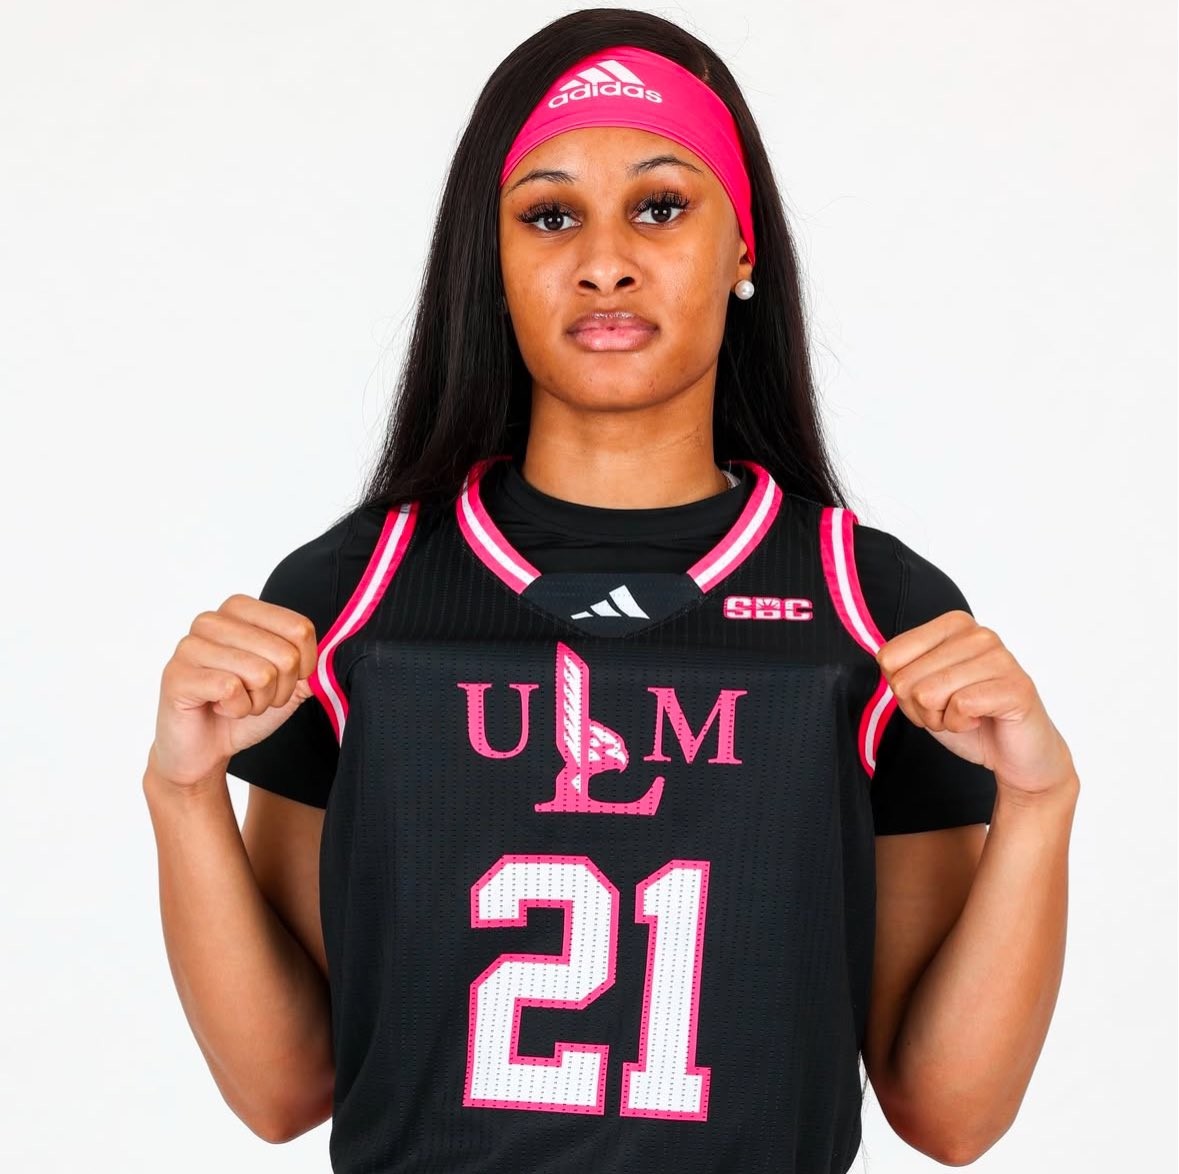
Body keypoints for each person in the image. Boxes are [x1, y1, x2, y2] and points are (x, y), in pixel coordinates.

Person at [142, 9, 1080, 1172]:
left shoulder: (871, 606)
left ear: (743, 248)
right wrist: (182, 792)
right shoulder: (353, 593)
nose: (604, 260)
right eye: (549, 215)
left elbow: (950, 1114)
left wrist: (1040, 802)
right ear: (491, 262)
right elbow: (286, 1088)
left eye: (660, 205)